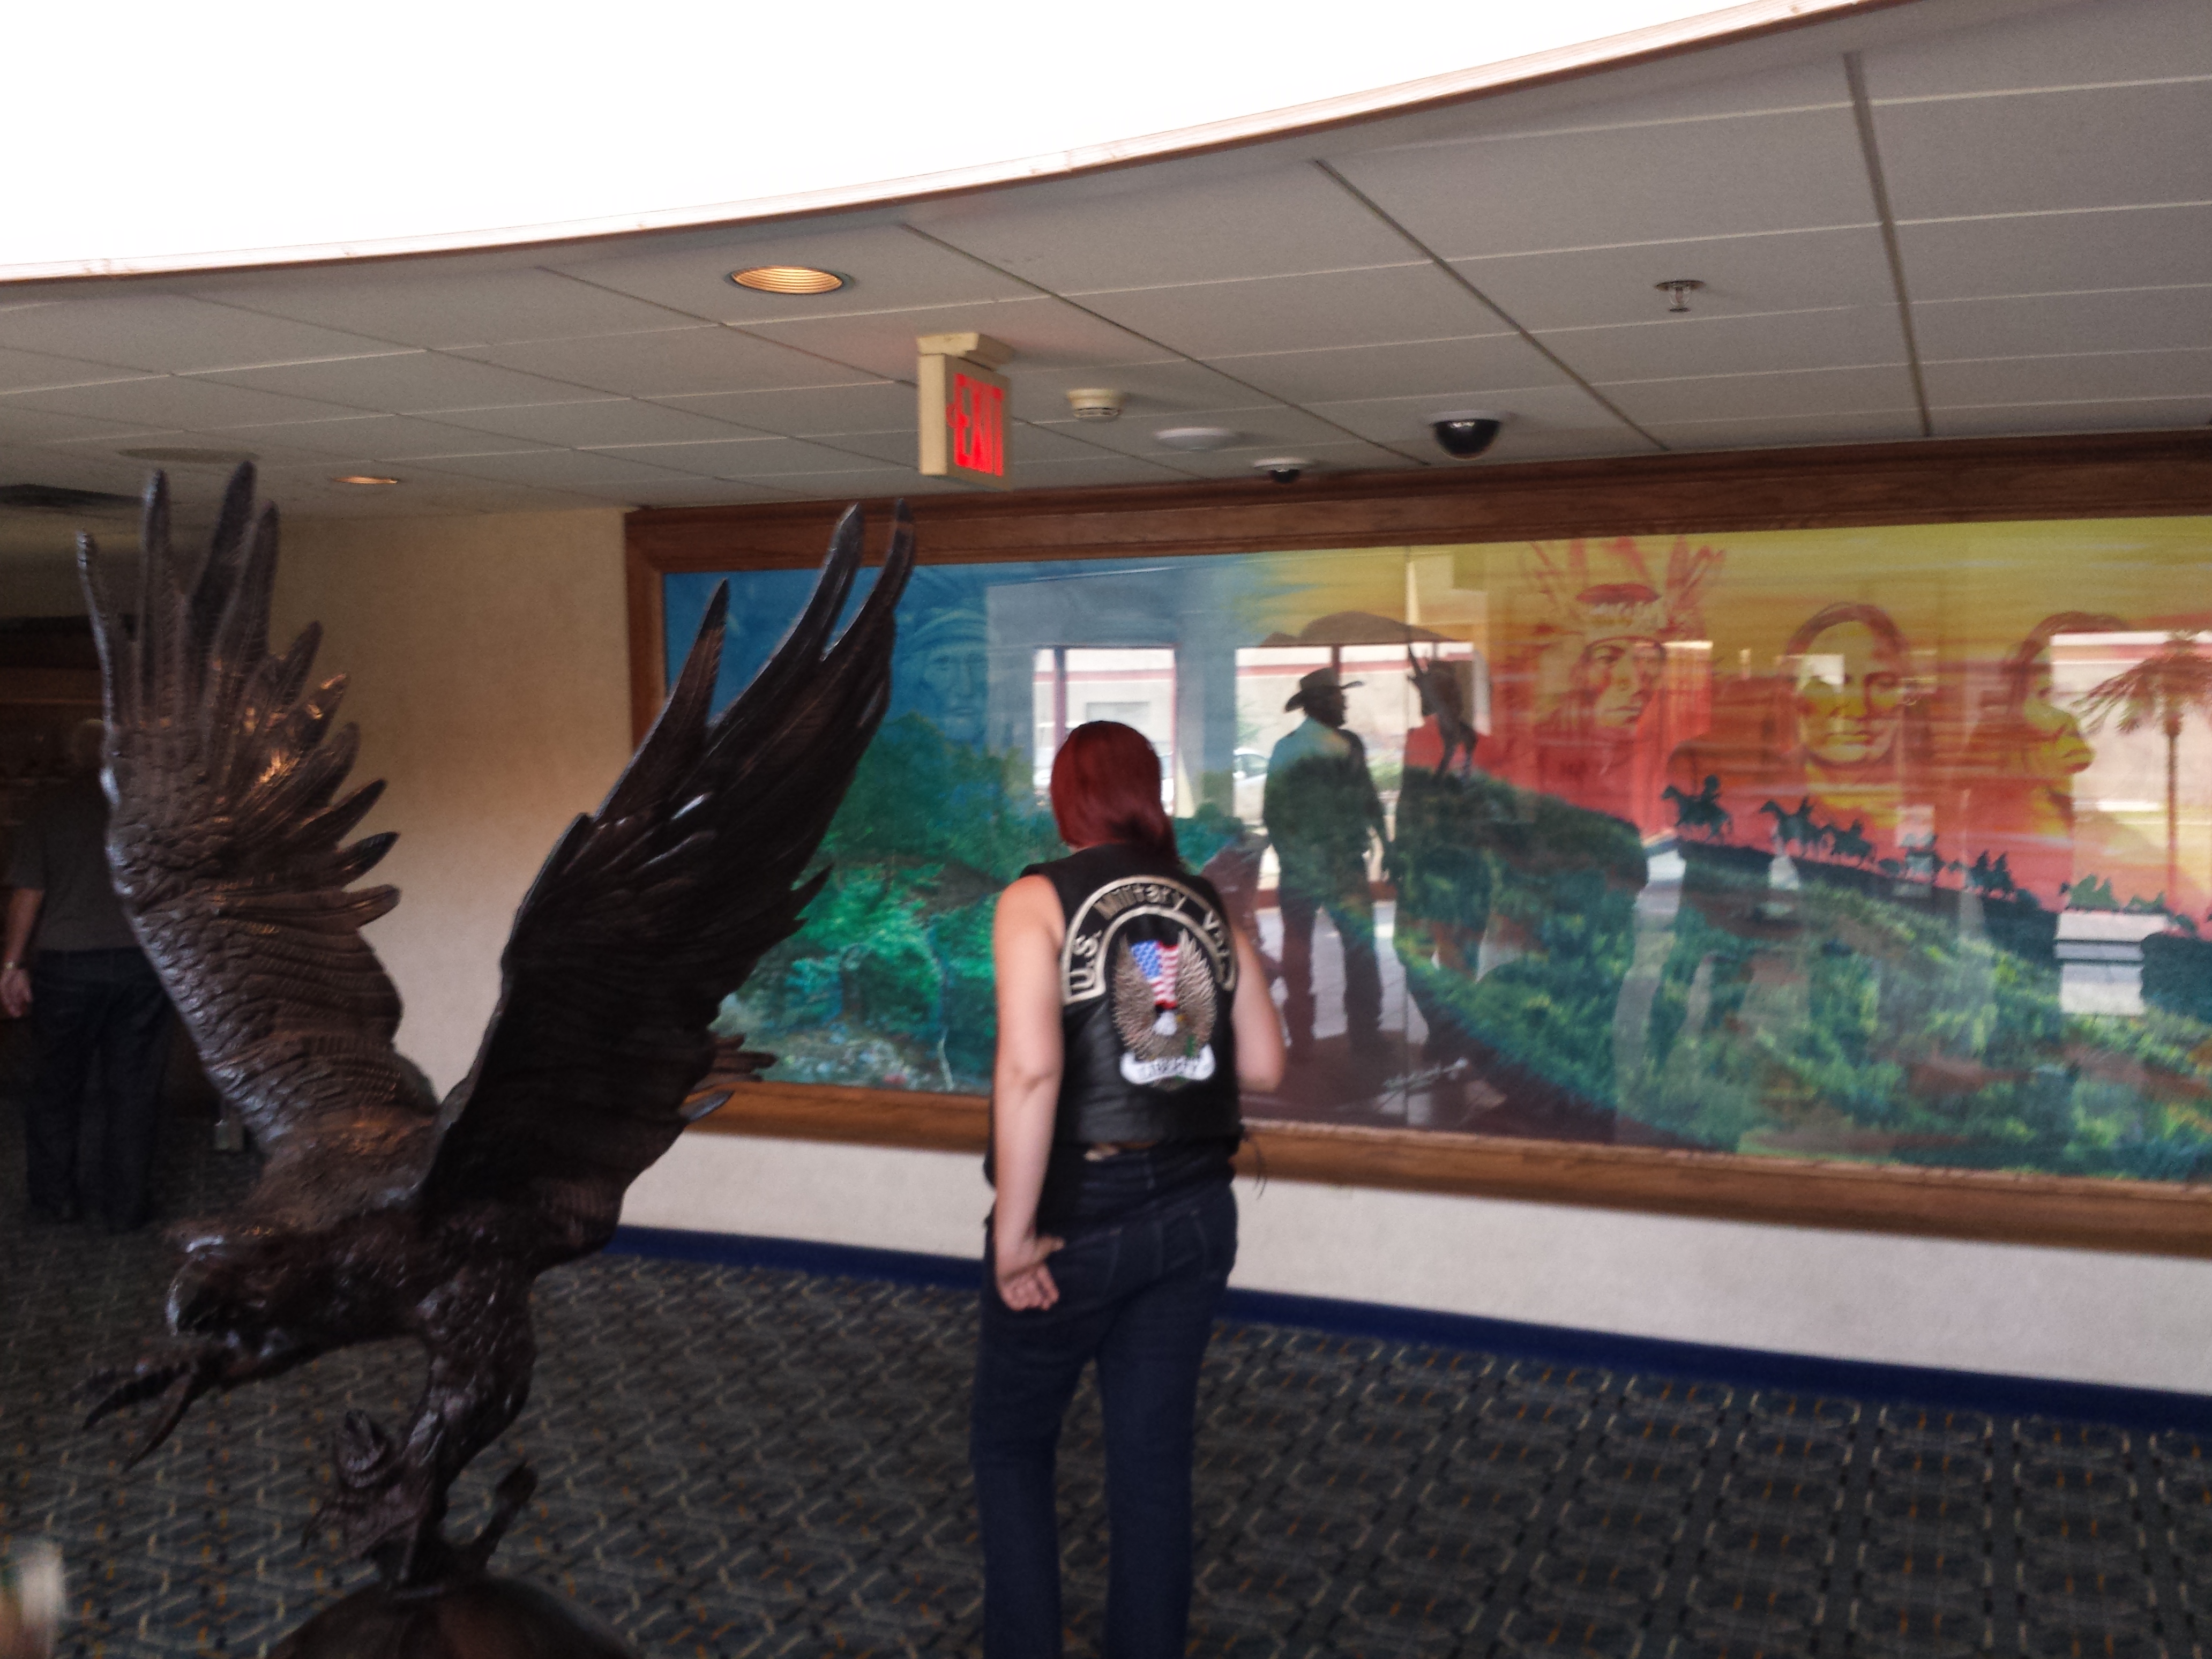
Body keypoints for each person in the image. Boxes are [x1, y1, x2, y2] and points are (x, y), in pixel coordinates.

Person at [974, 720, 1284, 1659]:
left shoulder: (1035, 899)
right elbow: (1264, 1065)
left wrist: (1015, 1237)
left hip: (1081, 1213)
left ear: (1063, 799)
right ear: (1148, 794)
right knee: (1151, 1465)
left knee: (1010, 1446)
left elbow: (1031, 1072)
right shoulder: (1206, 900)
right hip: (1196, 1211)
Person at [1, 720, 171, 1230]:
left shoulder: (48, 809)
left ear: (74, 758)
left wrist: (11, 965)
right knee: (133, 1089)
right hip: (141, 965)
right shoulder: (148, 811)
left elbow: (28, 895)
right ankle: (125, 1208)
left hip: (67, 967)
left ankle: (55, 1202)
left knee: (56, 1087)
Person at [1261, 667, 1387, 1060]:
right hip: (1342, 865)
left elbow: (1273, 813)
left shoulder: (1287, 749)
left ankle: (1302, 1038)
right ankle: (1365, 1035)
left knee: (1299, 951)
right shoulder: (1347, 745)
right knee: (1359, 950)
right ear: (1319, 703)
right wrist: (1386, 843)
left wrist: (1291, 858)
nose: (1345, 703)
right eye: (1338, 697)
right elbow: (1369, 799)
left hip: (1304, 867)